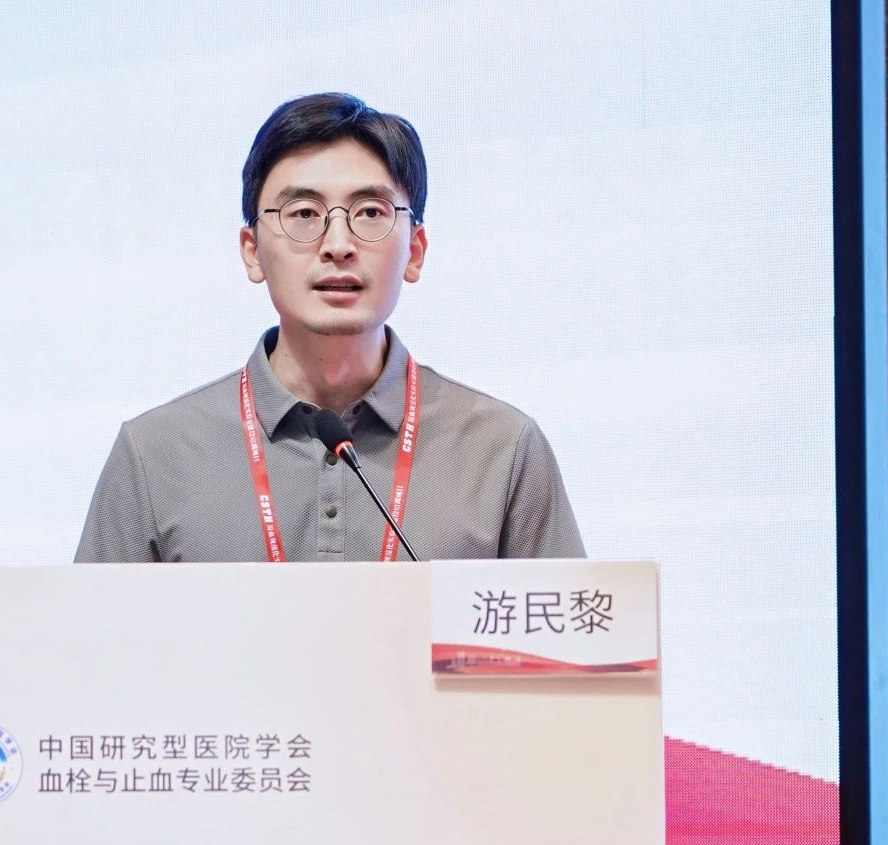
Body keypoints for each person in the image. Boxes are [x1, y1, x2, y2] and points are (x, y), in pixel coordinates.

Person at [76, 93, 584, 563]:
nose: (338, 244)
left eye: (370, 212)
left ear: (414, 251)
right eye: (303, 213)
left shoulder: (501, 449)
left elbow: (567, 634)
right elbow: (89, 633)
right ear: (252, 252)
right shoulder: (155, 455)